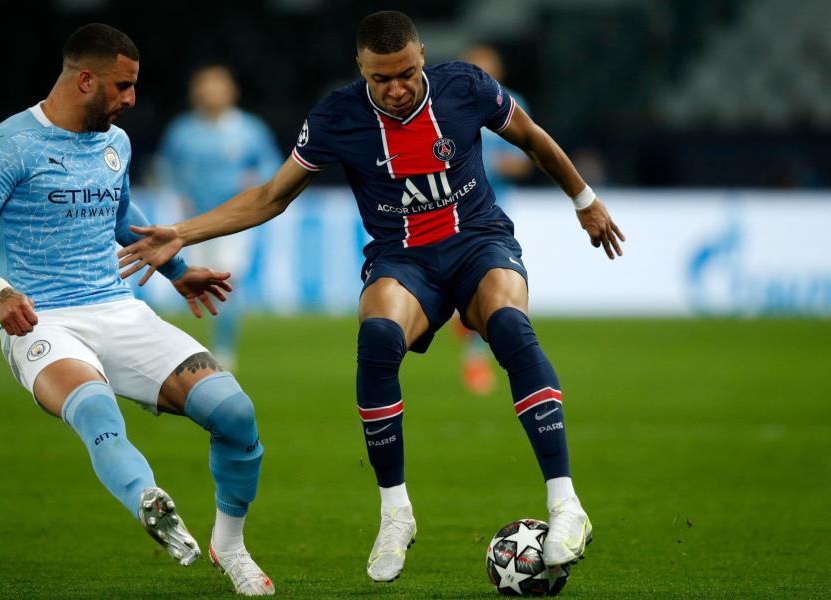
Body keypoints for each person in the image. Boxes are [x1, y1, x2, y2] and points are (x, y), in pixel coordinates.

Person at [118, 11, 624, 584]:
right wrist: (182, 232)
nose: (397, 87)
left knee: (508, 325)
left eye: (407, 73)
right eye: (382, 78)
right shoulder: (338, 116)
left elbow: (530, 138)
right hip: (404, 261)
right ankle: (395, 513)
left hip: (479, 241)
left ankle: (566, 506)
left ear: (422, 57)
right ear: (361, 69)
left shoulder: (466, 87)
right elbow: (269, 196)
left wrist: (585, 201)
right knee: (378, 338)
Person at [0, 24, 274, 596]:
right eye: (123, 86)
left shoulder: (115, 142)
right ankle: (149, 499)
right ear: (85, 79)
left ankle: (230, 546)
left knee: (235, 414)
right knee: (94, 407)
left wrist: (178, 271)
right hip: (43, 319)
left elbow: (121, 222)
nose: (131, 99)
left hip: (120, 310)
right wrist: (0, 291)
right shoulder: (7, 145)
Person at [157, 64, 281, 370]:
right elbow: (165, 165)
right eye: (205, 86)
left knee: (226, 281)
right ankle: (188, 350)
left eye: (217, 86)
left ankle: (223, 350)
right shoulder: (182, 131)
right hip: (191, 222)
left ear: (231, 91)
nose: (211, 93)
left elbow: (271, 164)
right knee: (191, 283)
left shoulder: (249, 129)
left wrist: (255, 182)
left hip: (234, 221)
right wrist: (176, 191)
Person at [453, 43, 535, 396]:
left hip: (495, 213)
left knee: (489, 284)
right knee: (468, 284)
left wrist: (496, 162)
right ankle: (465, 320)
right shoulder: (448, 104)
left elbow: (525, 159)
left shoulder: (511, 104)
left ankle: (474, 352)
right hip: (452, 210)